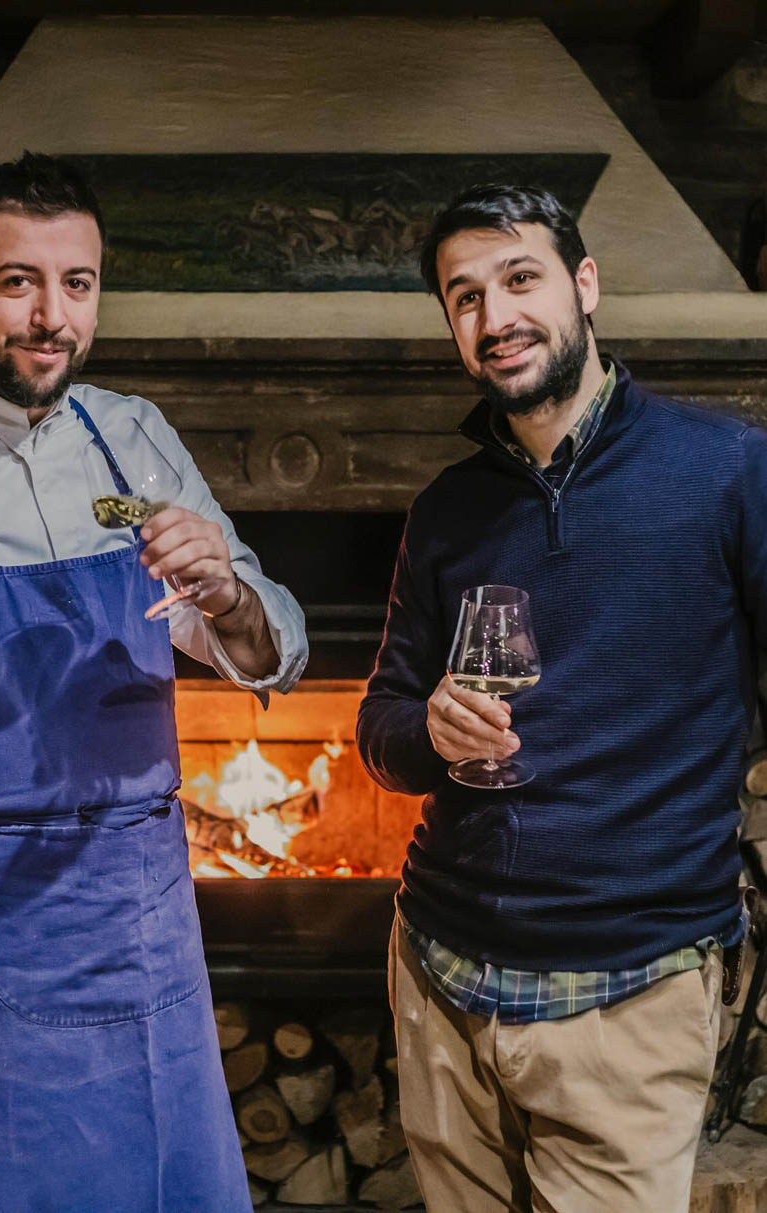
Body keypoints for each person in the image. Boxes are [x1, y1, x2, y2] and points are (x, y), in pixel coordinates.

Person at [0, 151, 307, 1211]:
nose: (51, 317)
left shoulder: (132, 439)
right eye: (18, 281)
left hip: (145, 920)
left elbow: (271, 651)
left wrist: (225, 592)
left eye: (77, 284)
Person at [356, 183, 760, 1212]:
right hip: (441, 976)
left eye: (519, 278)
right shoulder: (447, 510)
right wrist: (429, 730)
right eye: (465, 297)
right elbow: (381, 728)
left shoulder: (728, 471)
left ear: (584, 284)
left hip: (629, 991)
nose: (495, 317)